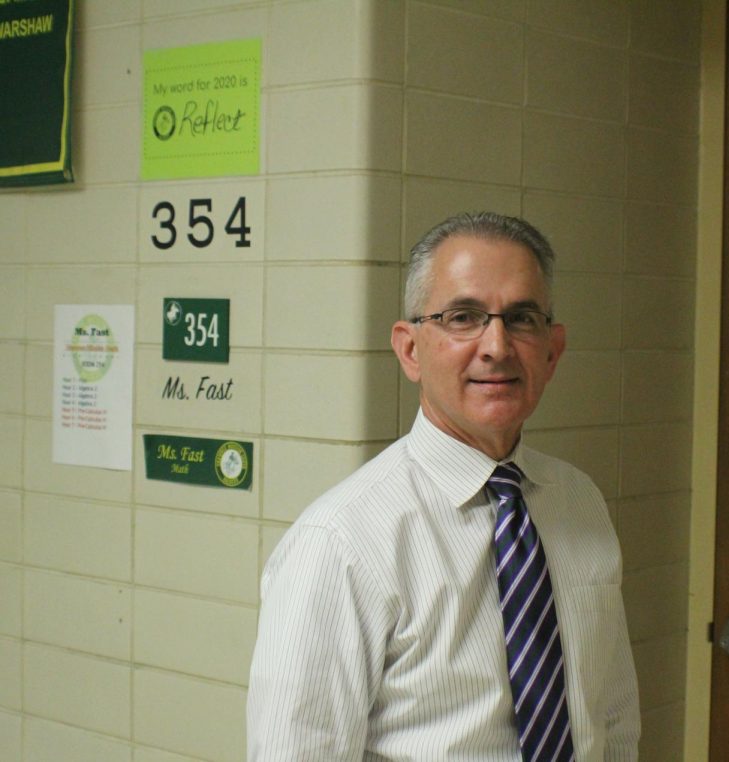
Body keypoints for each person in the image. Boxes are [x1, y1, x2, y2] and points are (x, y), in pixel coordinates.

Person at [246, 212, 640, 761]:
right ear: (410, 349)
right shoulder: (339, 543)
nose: (497, 346)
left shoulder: (579, 502)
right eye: (463, 317)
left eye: (522, 318)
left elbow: (611, 719)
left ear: (553, 350)